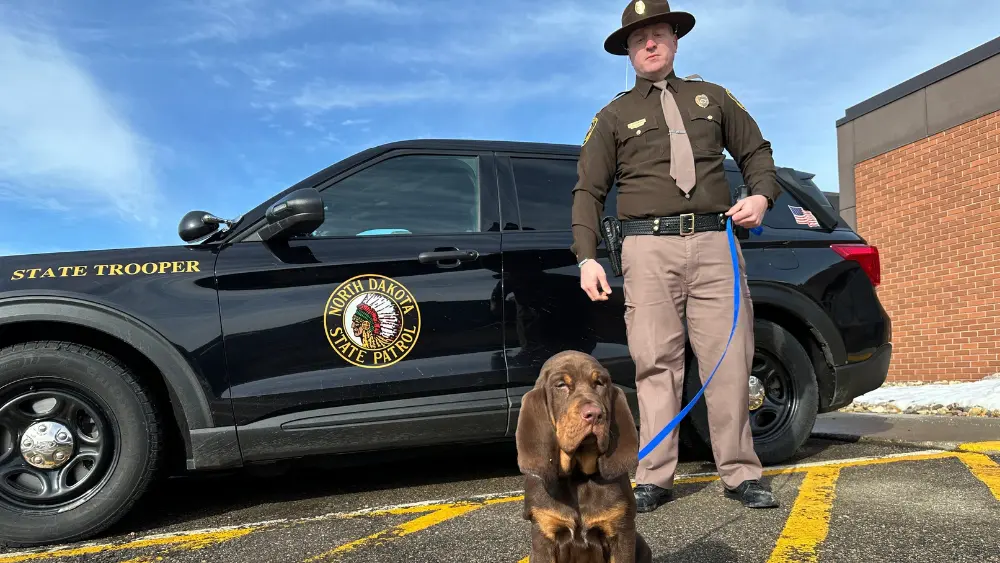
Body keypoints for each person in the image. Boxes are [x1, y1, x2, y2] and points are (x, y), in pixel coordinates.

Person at [570, 0, 782, 512]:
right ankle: (654, 476)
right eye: (638, 38)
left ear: (675, 40)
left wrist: (761, 195)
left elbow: (756, 152)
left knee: (730, 362)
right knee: (654, 364)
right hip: (647, 249)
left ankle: (740, 472)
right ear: (628, 50)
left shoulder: (714, 98)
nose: (649, 43)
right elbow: (588, 191)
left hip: (715, 244)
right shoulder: (613, 115)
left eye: (659, 33)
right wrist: (586, 257)